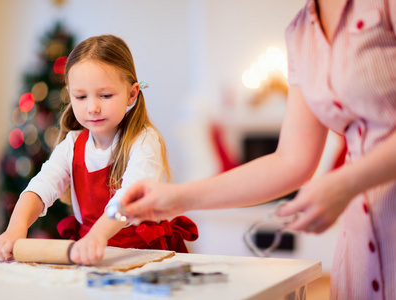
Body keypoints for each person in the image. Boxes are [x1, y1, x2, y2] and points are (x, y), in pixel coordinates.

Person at [121, 1, 396, 299]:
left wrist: (346, 182)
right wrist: (178, 198)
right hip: (361, 247)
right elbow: (290, 161)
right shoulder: (301, 33)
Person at [0, 35, 198, 266]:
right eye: (81, 96)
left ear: (132, 93)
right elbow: (41, 187)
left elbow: (130, 198)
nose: (93, 107)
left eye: (105, 95)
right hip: (92, 259)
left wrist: (97, 236)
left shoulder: (145, 140)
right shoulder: (72, 144)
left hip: (144, 258)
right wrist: (15, 227)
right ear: (70, 95)